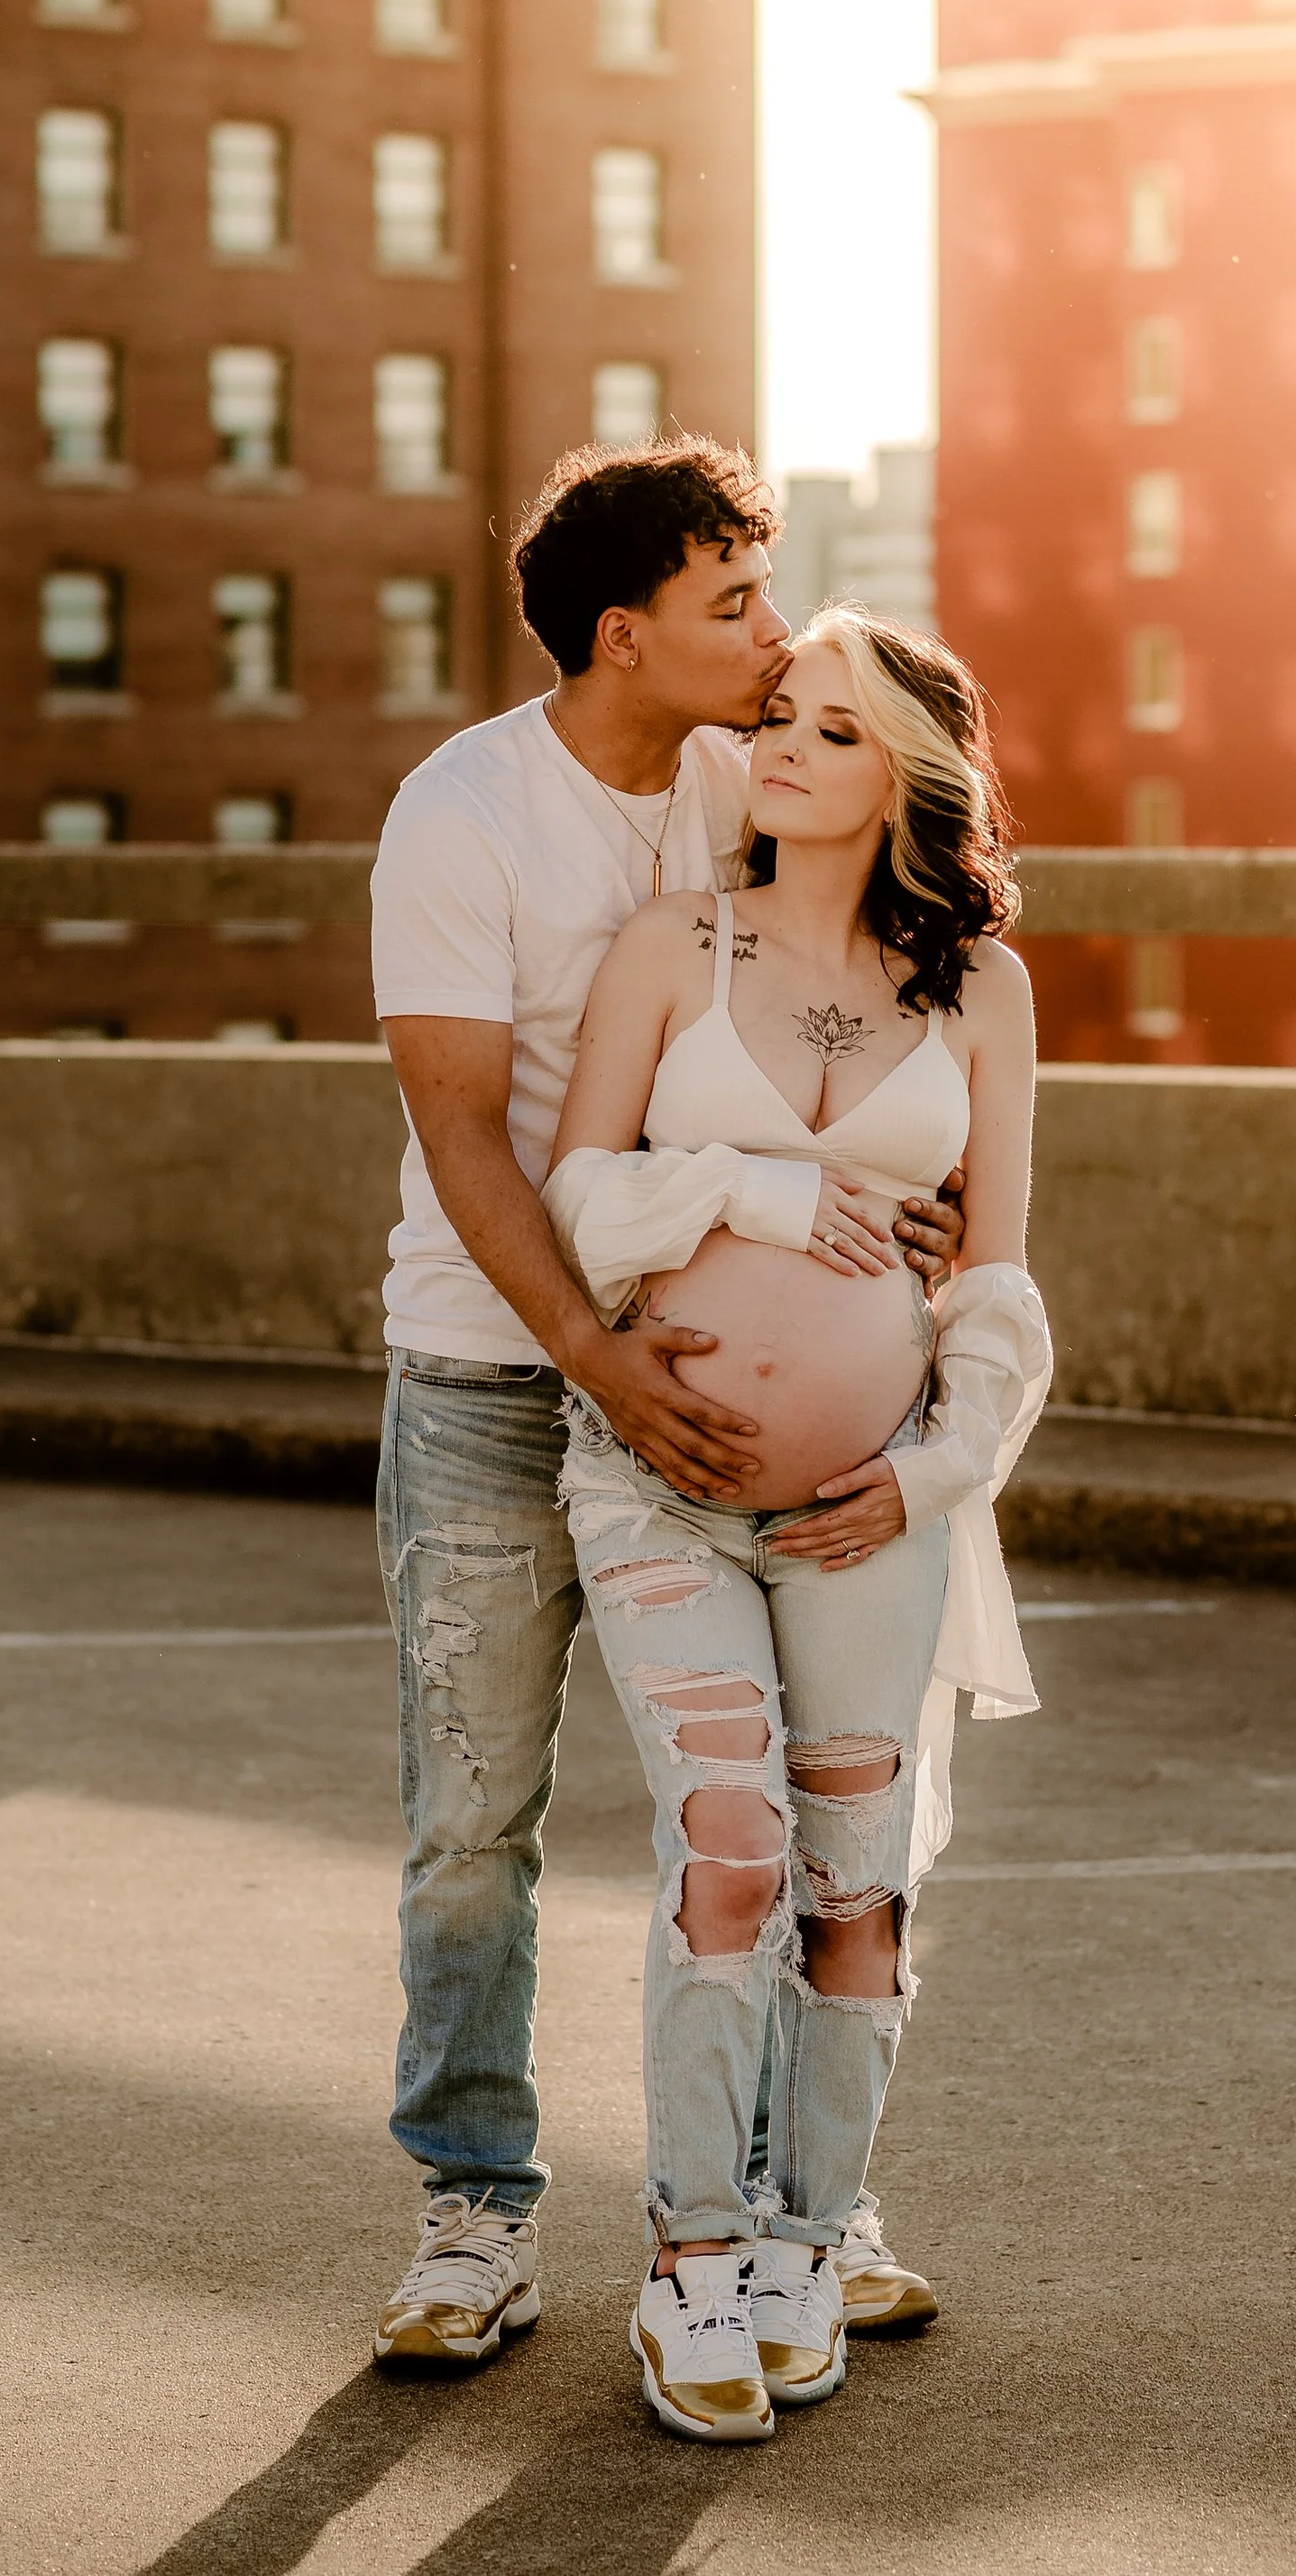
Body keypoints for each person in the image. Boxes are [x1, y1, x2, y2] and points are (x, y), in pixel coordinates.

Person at [367, 441, 968, 2369]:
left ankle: (813, 2197)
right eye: (730, 604)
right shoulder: (463, 811)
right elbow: (464, 1130)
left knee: (786, 1817)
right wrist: (593, 1350)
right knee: (477, 1817)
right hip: (488, 1363)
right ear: (622, 633)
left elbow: (863, 988)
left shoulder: (758, 768)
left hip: (735, 1405)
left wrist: (908, 1178)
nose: (771, 638)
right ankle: (472, 2211)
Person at [541, 605, 1050, 2440]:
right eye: (778, 716)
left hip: (877, 1508)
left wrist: (924, 1471)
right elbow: (580, 1196)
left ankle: (807, 2241)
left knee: (859, 1888)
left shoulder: (974, 991)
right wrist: (748, 1180)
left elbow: (991, 1285)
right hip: (659, 1481)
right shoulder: (672, 945)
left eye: (829, 730)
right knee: (731, 1839)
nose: (779, 747)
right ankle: (686, 2259)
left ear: (904, 776)